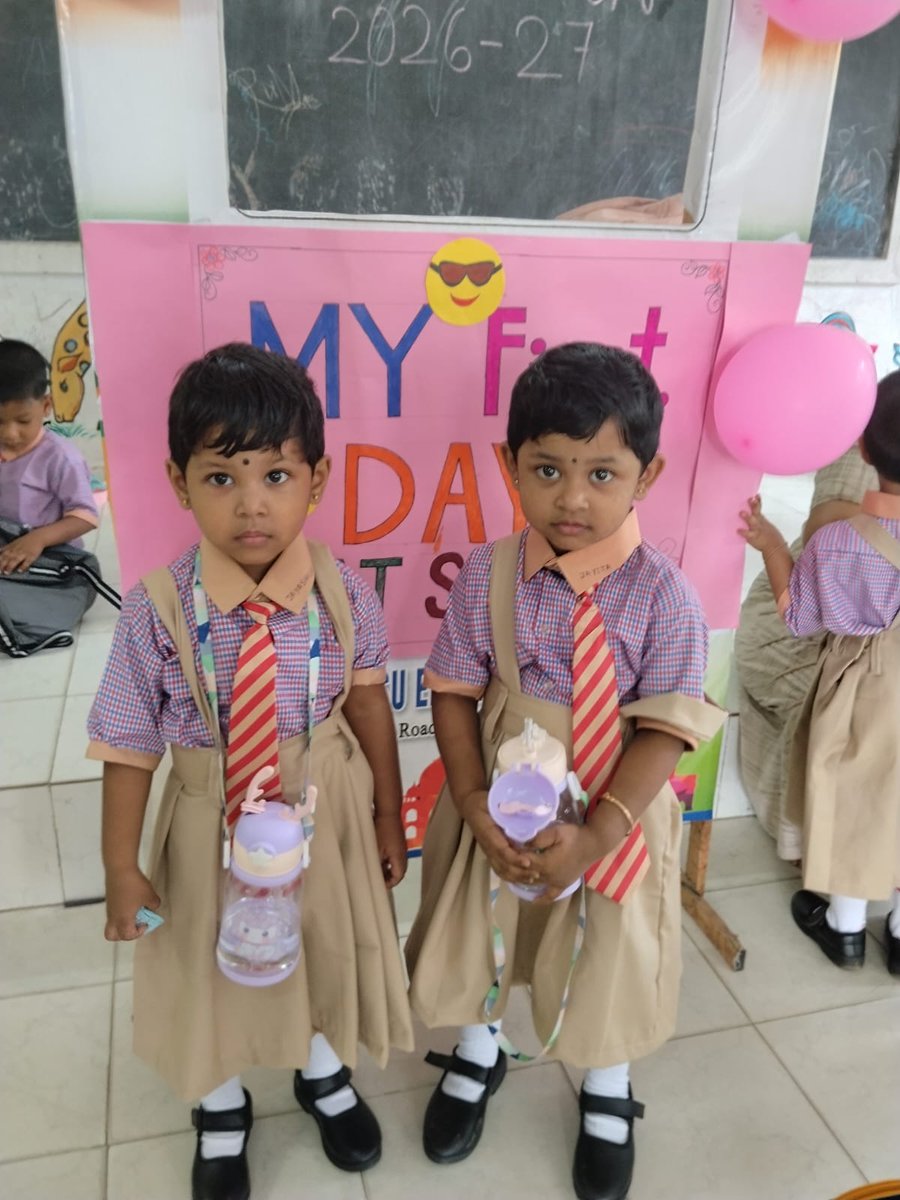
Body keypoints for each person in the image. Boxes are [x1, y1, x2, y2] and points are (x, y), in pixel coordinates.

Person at [87, 344, 413, 1200]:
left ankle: (323, 1073)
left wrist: (387, 814)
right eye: (222, 478)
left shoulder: (344, 591)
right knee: (208, 959)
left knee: (321, 945)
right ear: (177, 480)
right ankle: (221, 1106)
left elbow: (371, 705)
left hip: (326, 806)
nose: (252, 504)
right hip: (207, 817)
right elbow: (128, 745)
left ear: (318, 479)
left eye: (276, 475)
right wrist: (122, 867)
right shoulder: (156, 611)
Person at [405, 343, 723, 1200]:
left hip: (613, 802)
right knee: (486, 922)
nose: (573, 498)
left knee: (610, 947)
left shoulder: (665, 596)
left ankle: (608, 1086)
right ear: (510, 465)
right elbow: (452, 690)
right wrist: (470, 801)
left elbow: (665, 727)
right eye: (547, 469)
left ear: (646, 475)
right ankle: (477, 1054)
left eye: (601, 474)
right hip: (499, 797)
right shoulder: (488, 575)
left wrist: (599, 833)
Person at [739, 369, 900, 977]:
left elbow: (800, 617)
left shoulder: (842, 542)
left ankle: (847, 928)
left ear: (861, 449)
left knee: (860, 798)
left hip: (864, 692)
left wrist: (774, 547)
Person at [735, 446, 876, 861]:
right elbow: (803, 611)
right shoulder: (852, 533)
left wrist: (772, 544)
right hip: (814, 634)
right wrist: (775, 546)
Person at [0, 339, 98, 574]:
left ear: (46, 406)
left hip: (53, 560)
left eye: (23, 421)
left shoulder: (61, 458)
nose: (9, 434)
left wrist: (39, 539)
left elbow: (85, 517)